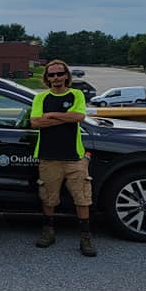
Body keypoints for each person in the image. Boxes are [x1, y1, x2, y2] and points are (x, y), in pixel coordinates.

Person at [30, 59, 97, 257]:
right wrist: (64, 117)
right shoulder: (40, 98)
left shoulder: (76, 94)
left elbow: (79, 117)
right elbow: (35, 122)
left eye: (60, 74)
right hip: (48, 157)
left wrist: (50, 115)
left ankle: (85, 237)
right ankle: (48, 231)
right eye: (52, 75)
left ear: (66, 75)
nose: (56, 77)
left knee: (82, 198)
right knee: (48, 198)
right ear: (47, 78)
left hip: (74, 157)